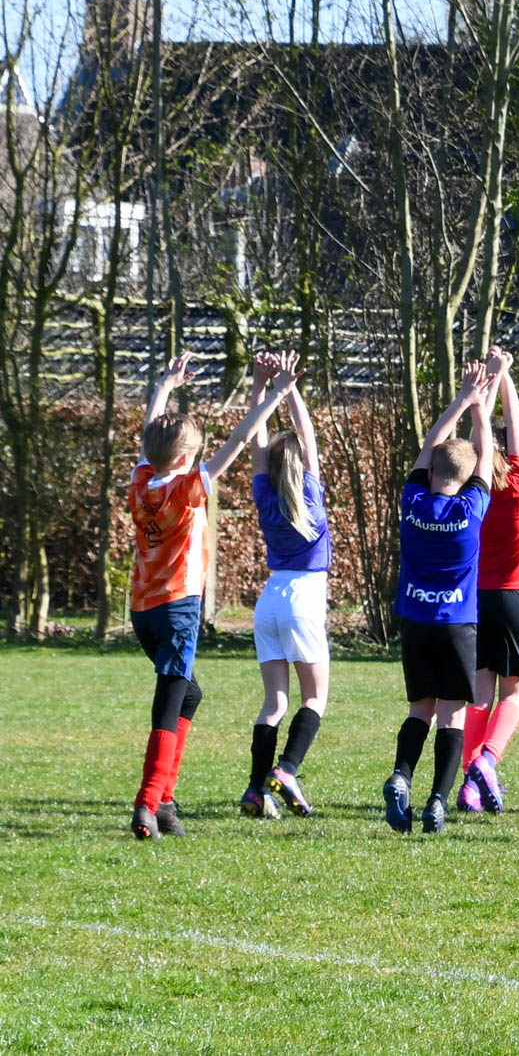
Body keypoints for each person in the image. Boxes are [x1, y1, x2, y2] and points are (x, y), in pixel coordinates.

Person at [128, 351, 301, 839]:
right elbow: (241, 439)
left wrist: (165, 386)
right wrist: (276, 394)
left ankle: (165, 802)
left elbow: (148, 434)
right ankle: (148, 802)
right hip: (178, 609)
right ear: (186, 458)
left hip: (143, 611)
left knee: (190, 694)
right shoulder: (187, 487)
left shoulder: (141, 481)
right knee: (169, 702)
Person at [381, 357, 500, 834]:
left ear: (430, 470)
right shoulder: (471, 509)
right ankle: (436, 802)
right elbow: (485, 455)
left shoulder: (412, 502)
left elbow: (430, 444)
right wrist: (481, 408)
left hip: (415, 622)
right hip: (456, 624)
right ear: (468, 479)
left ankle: (400, 775)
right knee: (451, 717)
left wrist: (462, 398)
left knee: (419, 710)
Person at [240, 351, 333, 820]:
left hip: (270, 599)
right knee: (314, 697)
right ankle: (288, 769)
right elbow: (308, 437)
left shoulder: (264, 494)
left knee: (275, 701)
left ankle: (257, 790)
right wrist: (290, 388)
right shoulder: (311, 493)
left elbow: (257, 444)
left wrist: (261, 387)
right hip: (304, 598)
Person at [458, 346, 519, 813]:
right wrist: (505, 376)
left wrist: (484, 386)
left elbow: (478, 440)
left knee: (479, 691)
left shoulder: (474, 492)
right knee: (514, 691)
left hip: (475, 599)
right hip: (512, 597)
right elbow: (516, 424)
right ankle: (486, 761)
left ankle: (470, 781)